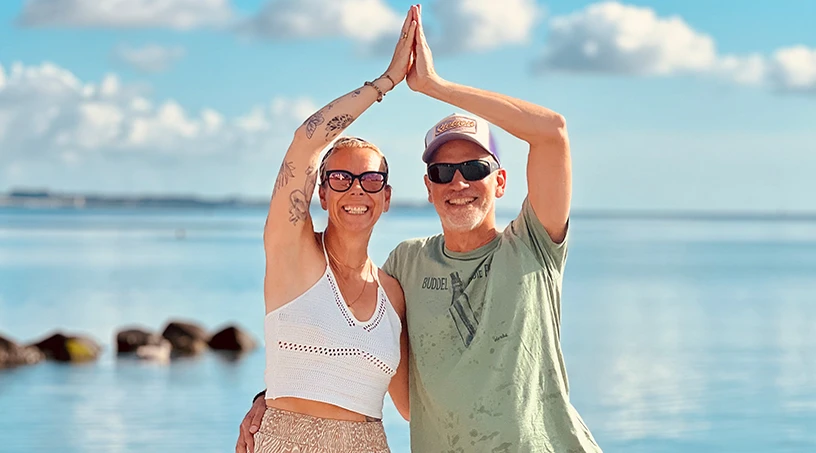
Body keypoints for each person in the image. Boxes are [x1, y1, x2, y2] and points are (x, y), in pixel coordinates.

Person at [239, 5, 602, 452]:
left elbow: (552, 133)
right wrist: (272, 401)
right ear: (427, 188)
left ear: (502, 181)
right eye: (443, 171)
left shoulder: (532, 246)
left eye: (474, 167)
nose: (459, 182)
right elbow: (387, 386)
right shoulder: (406, 267)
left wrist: (434, 85)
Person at [236, 6, 421, 453]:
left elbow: (415, 406)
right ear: (321, 194)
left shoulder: (394, 294)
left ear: (386, 197)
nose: (356, 190)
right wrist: (386, 82)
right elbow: (307, 140)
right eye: (340, 178)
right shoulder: (293, 253)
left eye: (370, 179)